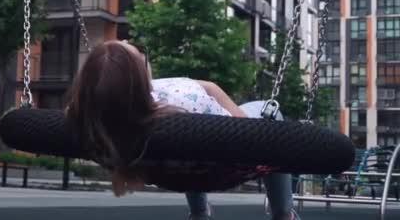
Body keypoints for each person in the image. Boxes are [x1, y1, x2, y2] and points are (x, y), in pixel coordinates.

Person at [65, 40, 300, 220]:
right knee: (268, 113)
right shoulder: (184, 101)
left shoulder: (94, 121)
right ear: (139, 79)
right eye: (139, 56)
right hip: (226, 164)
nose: (139, 50)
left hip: (174, 171)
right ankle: (283, 212)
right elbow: (243, 133)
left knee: (189, 152)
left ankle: (199, 212)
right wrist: (215, 94)